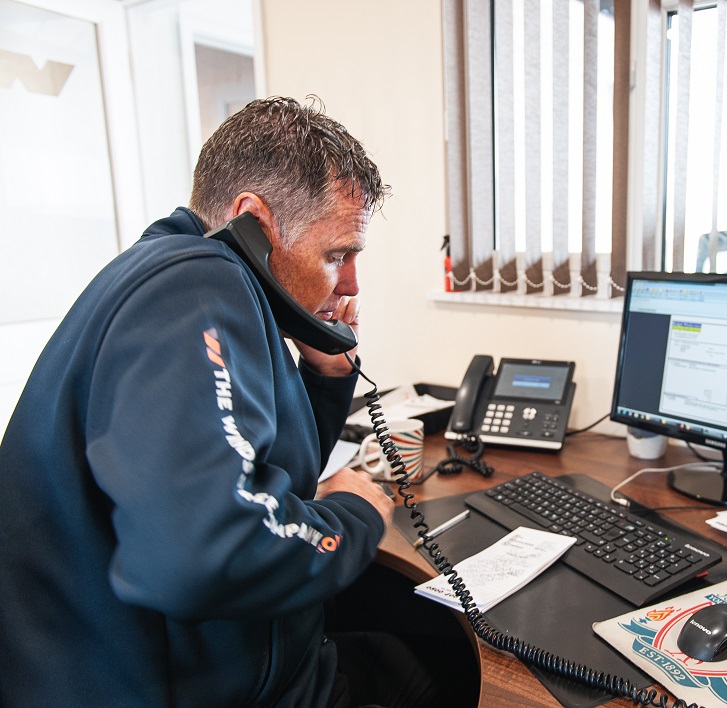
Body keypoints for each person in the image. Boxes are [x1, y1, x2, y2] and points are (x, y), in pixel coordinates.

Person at [0, 97, 431, 707]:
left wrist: (327, 374)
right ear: (252, 221)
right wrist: (355, 516)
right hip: (186, 688)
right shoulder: (197, 283)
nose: (351, 283)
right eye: (337, 255)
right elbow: (206, 554)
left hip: (244, 665)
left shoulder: (196, 284)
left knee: (412, 660)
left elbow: (260, 473)